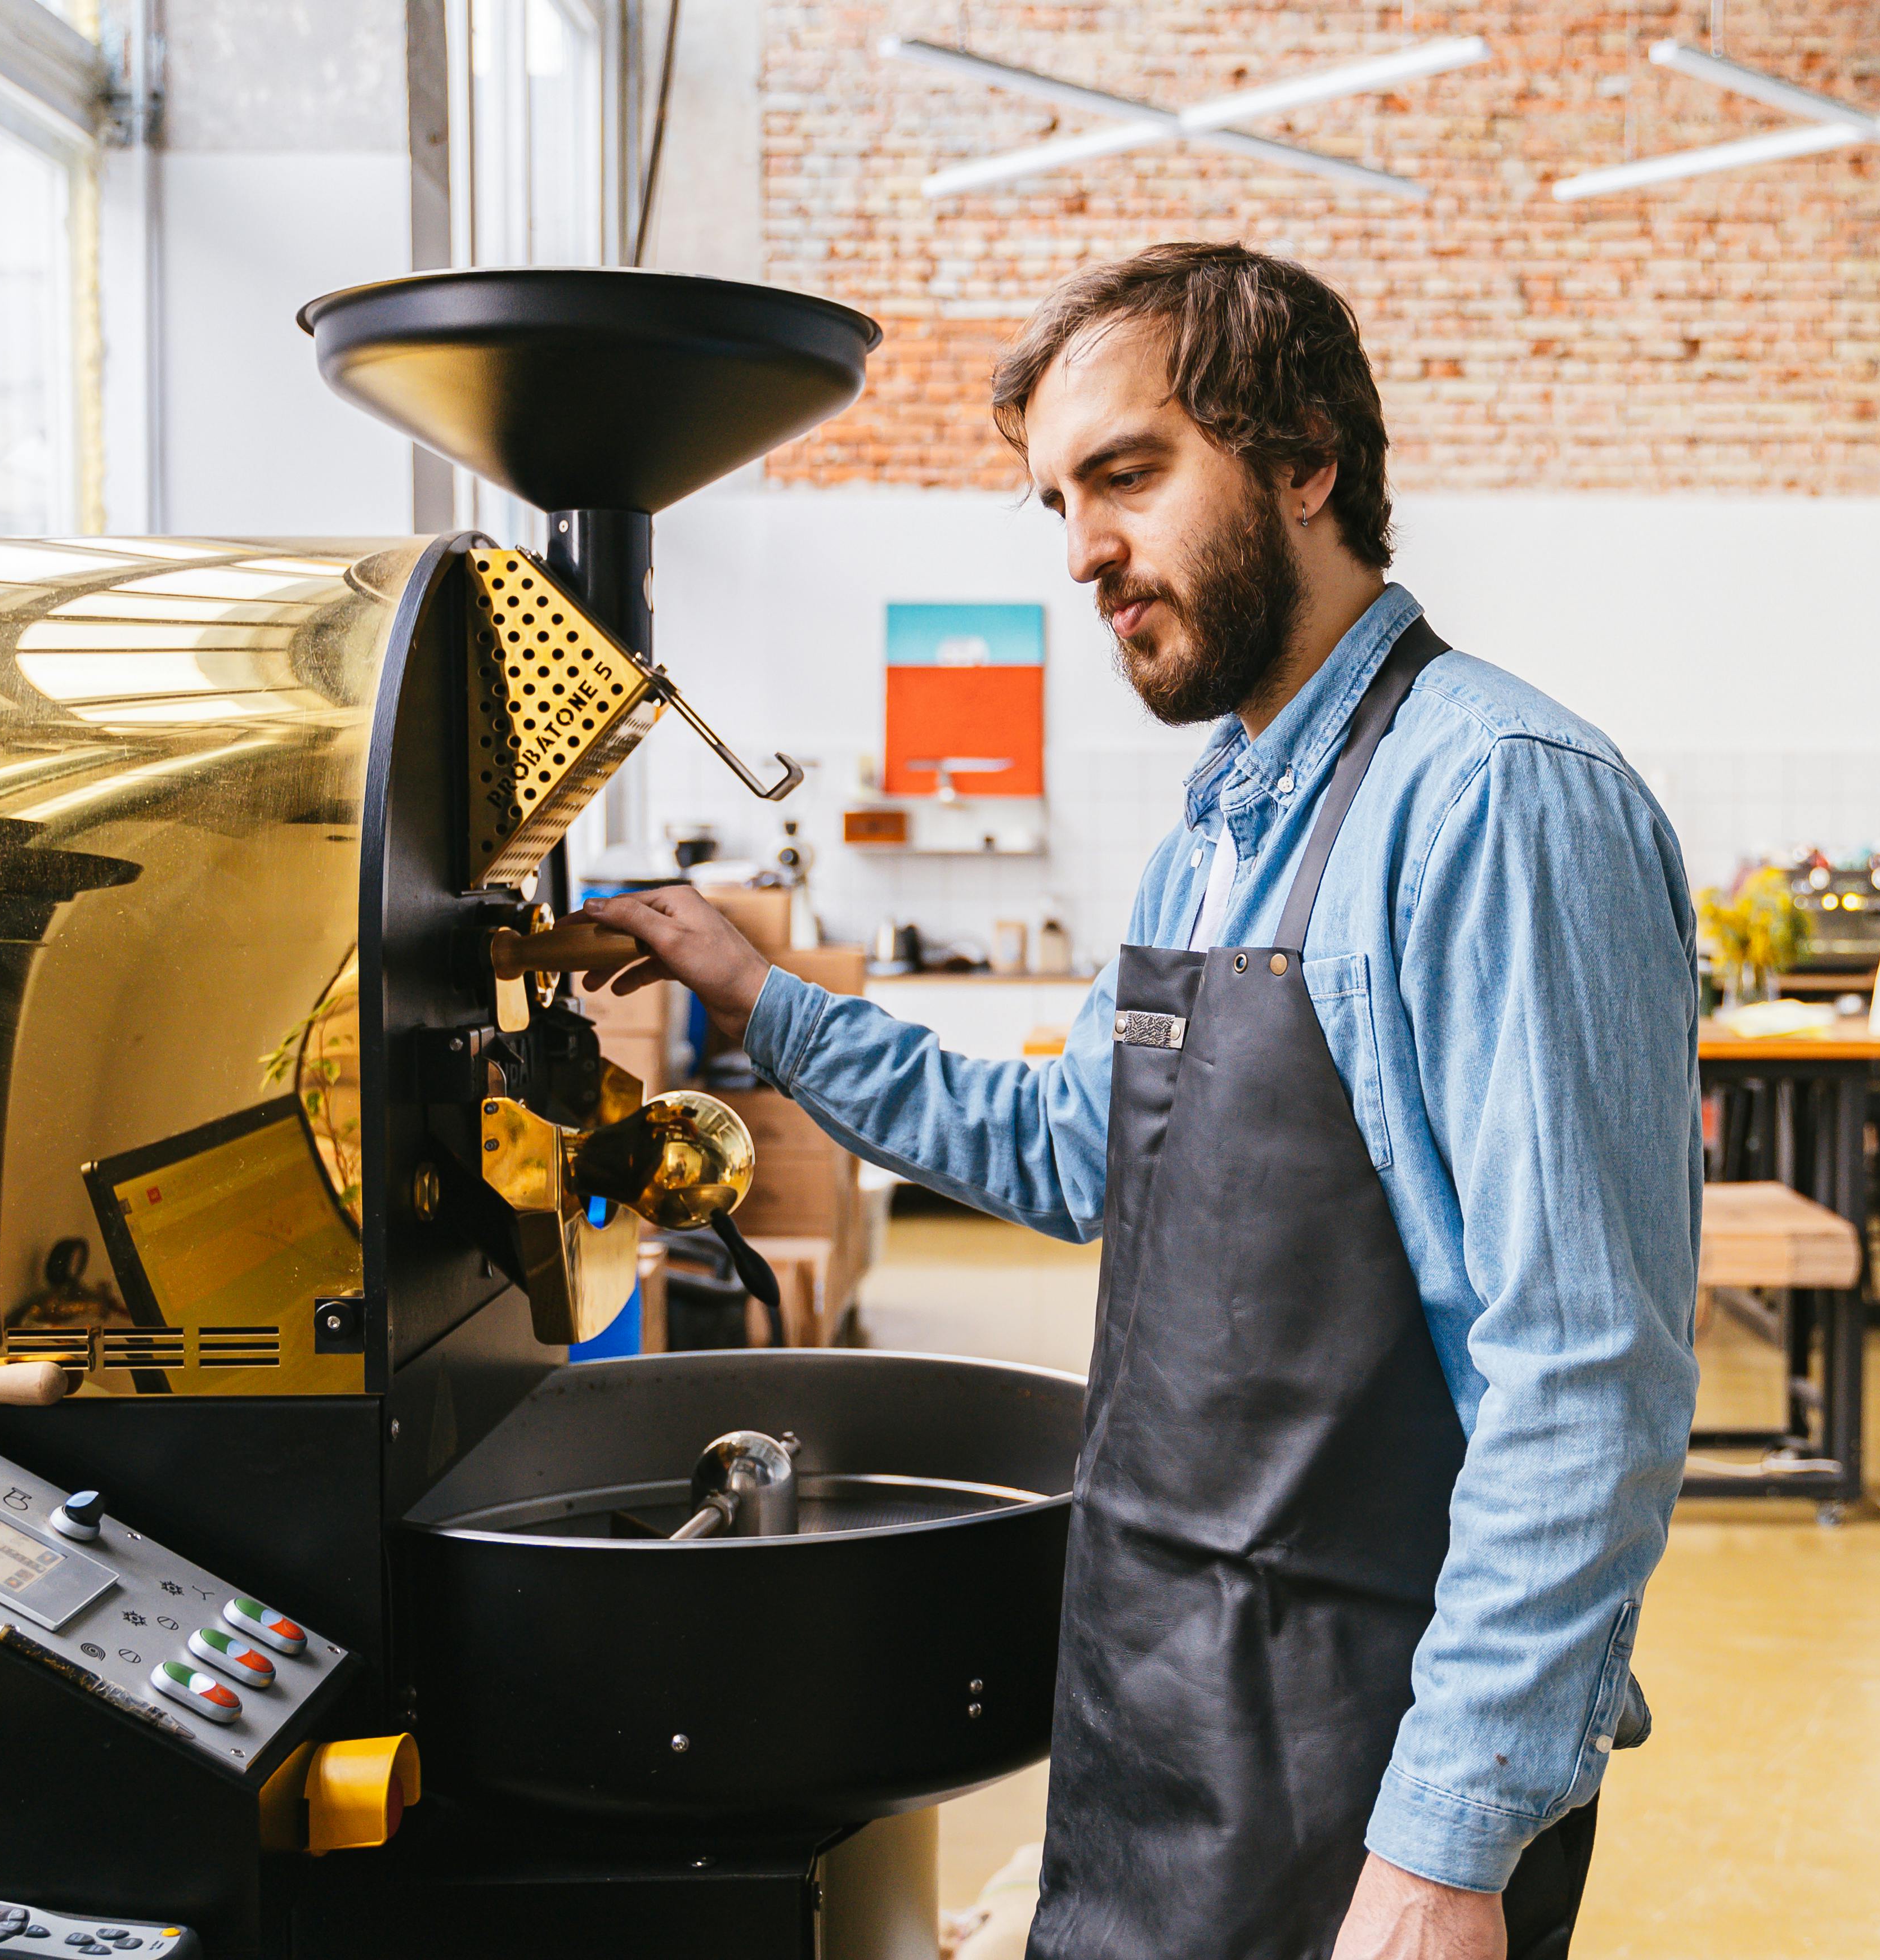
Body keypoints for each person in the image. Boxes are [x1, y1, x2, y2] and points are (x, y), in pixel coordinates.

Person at [575, 242, 1702, 1960]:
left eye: (1129, 473)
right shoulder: (1217, 823)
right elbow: (1063, 1147)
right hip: (1166, 1711)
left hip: (1365, 1766)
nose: (1089, 550)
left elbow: (1583, 1376)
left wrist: (1447, 1845)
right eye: (1058, 504)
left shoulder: (1490, 800)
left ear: (1306, 460)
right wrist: (756, 993)